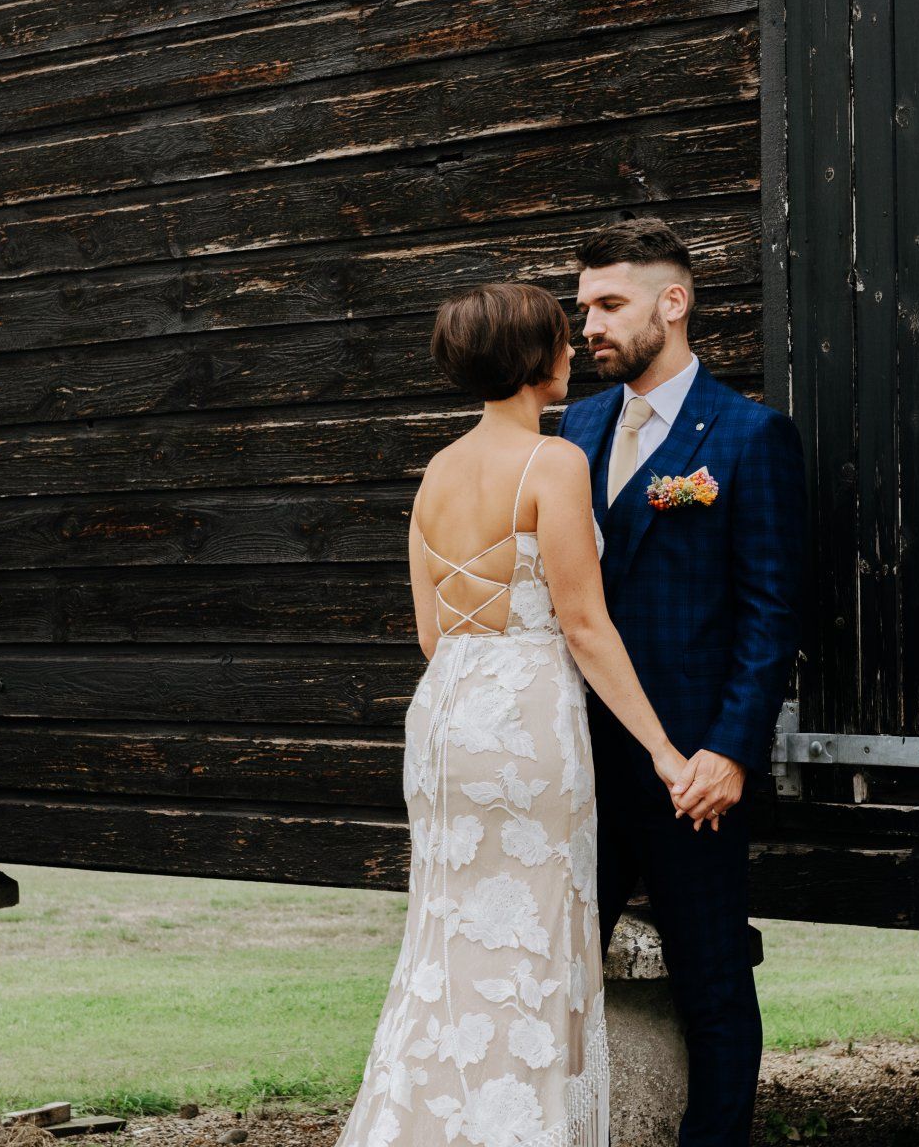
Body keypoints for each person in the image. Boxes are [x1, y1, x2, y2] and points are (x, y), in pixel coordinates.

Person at [334, 281, 692, 1147]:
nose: (574, 350)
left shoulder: (437, 472)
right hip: (527, 722)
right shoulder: (553, 463)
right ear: (534, 359)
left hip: (446, 721)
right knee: (530, 943)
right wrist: (663, 749)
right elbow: (584, 626)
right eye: (563, 339)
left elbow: (432, 634)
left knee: (448, 941)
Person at [558, 217, 806, 1147]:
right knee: (554, 974)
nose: (589, 326)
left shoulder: (749, 436)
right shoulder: (576, 428)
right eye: (584, 307)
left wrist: (731, 751)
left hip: (692, 771)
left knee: (712, 982)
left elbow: (770, 612)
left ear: (674, 302)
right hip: (580, 759)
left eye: (609, 304)